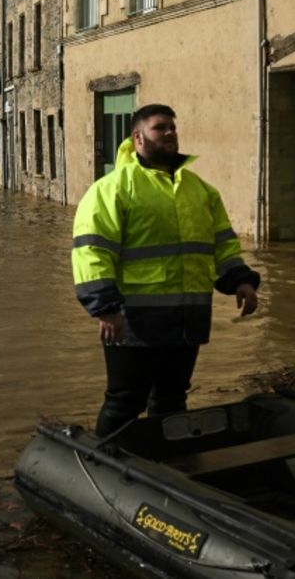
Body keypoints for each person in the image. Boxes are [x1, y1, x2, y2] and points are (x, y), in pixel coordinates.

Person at [72, 103, 261, 437]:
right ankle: (106, 465)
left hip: (187, 320)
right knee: (124, 402)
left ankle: (165, 464)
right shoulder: (111, 188)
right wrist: (106, 309)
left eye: (173, 127)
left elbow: (222, 245)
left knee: (172, 401)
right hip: (132, 323)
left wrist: (241, 281)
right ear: (138, 137)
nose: (170, 133)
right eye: (160, 127)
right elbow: (92, 251)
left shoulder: (200, 190)